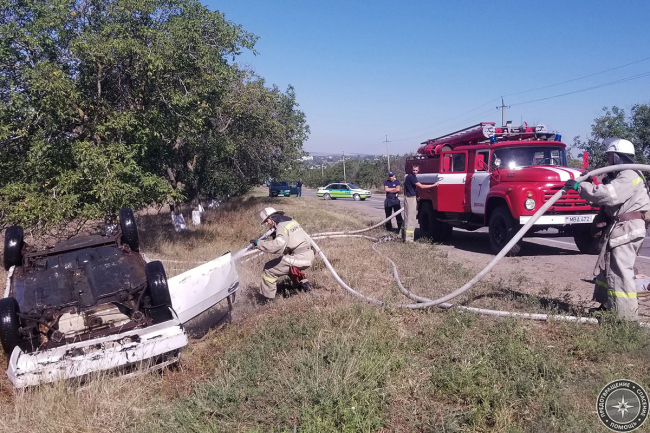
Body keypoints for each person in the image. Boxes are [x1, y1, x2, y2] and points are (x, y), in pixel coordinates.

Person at [564, 138, 650, 321]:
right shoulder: (625, 175)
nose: (607, 160)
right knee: (608, 270)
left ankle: (625, 319)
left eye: (609, 156)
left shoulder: (629, 174)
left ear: (617, 156)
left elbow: (608, 196)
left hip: (627, 228)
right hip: (621, 228)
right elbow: (606, 198)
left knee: (620, 273)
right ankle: (607, 307)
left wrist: (580, 187)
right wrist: (590, 183)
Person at [250, 207, 314, 301]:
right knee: (285, 265)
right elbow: (292, 239)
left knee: (269, 269)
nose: (266, 224)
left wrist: (258, 243)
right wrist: (275, 235)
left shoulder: (280, 226)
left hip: (300, 257)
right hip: (308, 255)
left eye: (266, 221)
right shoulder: (290, 221)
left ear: (271, 218)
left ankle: (266, 299)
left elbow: (278, 246)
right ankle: (304, 286)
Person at [403, 164, 439, 242]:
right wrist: (434, 185)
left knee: (408, 218)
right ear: (411, 170)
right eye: (414, 170)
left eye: (416, 170)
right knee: (410, 219)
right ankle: (409, 239)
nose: (415, 172)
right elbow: (421, 186)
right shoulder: (411, 177)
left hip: (411, 198)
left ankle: (404, 236)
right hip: (410, 199)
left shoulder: (412, 177)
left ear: (418, 170)